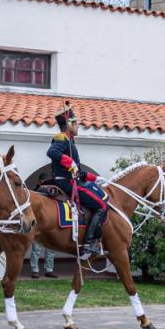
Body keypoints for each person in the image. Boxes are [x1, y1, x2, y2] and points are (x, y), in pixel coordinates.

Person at [46, 100, 108, 259]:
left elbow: (78, 173)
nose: (78, 126)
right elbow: (52, 153)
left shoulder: (70, 140)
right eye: (76, 123)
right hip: (66, 183)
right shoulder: (61, 138)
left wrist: (96, 179)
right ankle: (88, 243)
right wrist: (69, 162)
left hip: (74, 180)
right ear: (69, 123)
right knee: (101, 205)